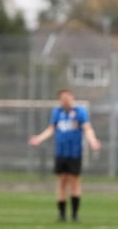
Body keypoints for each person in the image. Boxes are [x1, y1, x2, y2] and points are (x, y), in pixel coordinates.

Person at [29, 89, 101, 222]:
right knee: (61, 182)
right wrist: (39, 138)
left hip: (75, 153)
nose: (65, 100)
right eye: (62, 98)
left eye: (68, 97)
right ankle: (61, 215)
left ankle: (74, 215)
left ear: (72, 98)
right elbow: (51, 129)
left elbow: (87, 128)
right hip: (61, 153)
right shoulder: (57, 112)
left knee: (74, 182)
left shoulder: (80, 112)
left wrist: (93, 141)